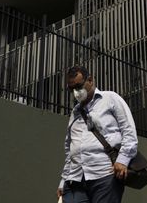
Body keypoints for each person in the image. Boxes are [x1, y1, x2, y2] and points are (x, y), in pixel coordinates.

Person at [57, 65, 138, 203]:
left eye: (78, 86)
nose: (76, 92)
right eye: (71, 89)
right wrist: (64, 179)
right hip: (76, 178)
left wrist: (122, 160)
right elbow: (70, 148)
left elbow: (128, 131)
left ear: (90, 80)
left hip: (104, 175)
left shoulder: (110, 98)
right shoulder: (75, 112)